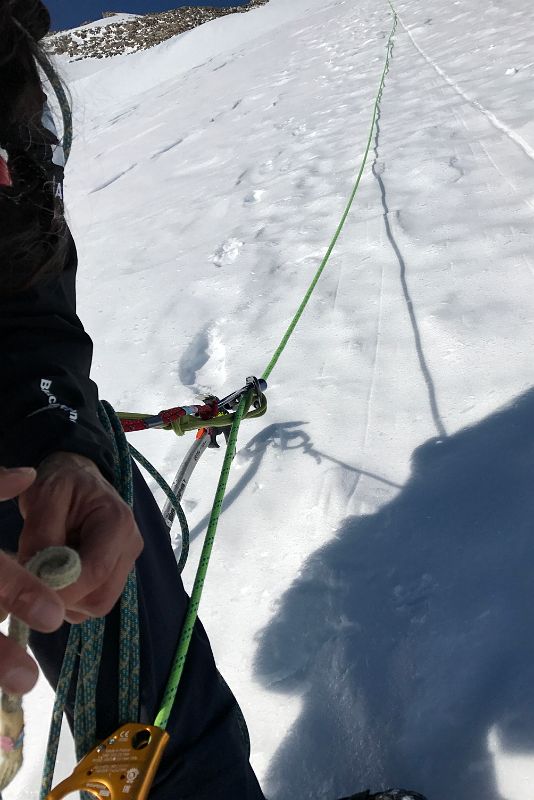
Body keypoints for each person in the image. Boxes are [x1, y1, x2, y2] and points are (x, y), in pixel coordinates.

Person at [0, 2, 427, 799]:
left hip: (27, 454)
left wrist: (64, 439)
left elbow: (23, 298)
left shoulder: (8, 83)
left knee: (162, 728)